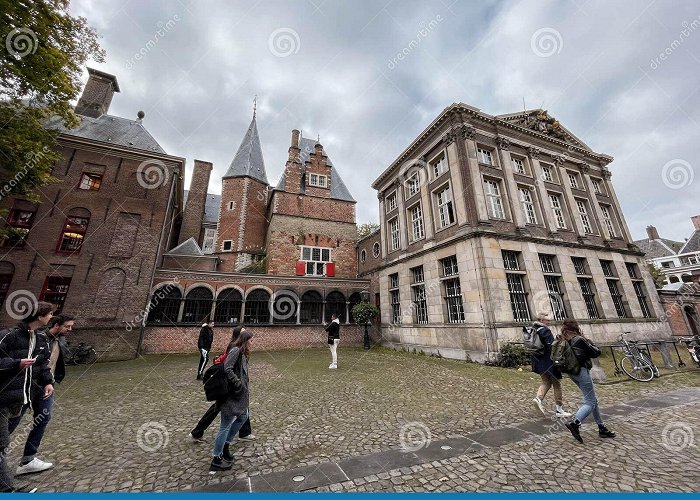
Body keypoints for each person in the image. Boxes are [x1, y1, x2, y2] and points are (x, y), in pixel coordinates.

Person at [8, 314, 75, 476]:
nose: (70, 329)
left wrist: (51, 381)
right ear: (57, 324)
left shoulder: (61, 340)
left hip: (46, 386)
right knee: (12, 421)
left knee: (43, 418)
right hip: (28, 385)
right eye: (67, 326)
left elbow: (54, 362)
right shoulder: (39, 337)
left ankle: (28, 460)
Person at [0, 301, 55, 492]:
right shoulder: (10, 336)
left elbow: (42, 365)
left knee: (3, 443)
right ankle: (7, 490)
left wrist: (48, 382)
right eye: (49, 314)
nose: (51, 318)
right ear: (39, 315)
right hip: (4, 398)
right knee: (2, 444)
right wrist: (15, 363)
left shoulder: (41, 339)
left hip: (21, 401)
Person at [190, 326, 255, 442]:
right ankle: (198, 432)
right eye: (243, 333)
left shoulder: (240, 347)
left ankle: (245, 432)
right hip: (228, 383)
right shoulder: (234, 346)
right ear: (238, 335)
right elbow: (228, 366)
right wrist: (237, 381)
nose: (246, 335)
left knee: (239, 406)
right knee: (217, 407)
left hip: (234, 383)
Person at [559, 319, 616, 443]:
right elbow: (596, 352)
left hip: (571, 372)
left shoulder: (563, 339)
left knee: (593, 399)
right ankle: (575, 423)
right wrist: (586, 339)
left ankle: (601, 427)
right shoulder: (579, 339)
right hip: (581, 371)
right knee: (590, 401)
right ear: (576, 328)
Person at [210, 330, 253, 471]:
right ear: (245, 340)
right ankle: (216, 458)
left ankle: (226, 445)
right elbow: (227, 368)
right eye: (250, 340)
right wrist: (237, 383)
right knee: (225, 425)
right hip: (231, 394)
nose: (252, 343)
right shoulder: (235, 350)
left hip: (239, 395)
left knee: (243, 417)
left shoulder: (242, 352)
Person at [530, 312, 571, 418]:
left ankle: (538, 399)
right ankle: (559, 409)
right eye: (547, 320)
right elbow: (552, 347)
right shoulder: (545, 331)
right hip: (548, 362)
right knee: (557, 384)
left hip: (538, 361)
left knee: (546, 381)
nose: (549, 322)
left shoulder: (533, 330)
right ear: (541, 320)